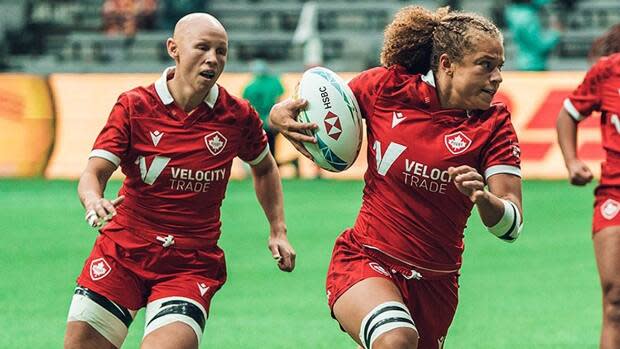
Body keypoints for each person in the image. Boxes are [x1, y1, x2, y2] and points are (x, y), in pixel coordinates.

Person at [270, 6, 523, 349]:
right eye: (486, 65)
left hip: (437, 283)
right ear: (447, 64)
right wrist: (279, 113)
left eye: (500, 67)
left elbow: (510, 225)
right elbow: (321, 107)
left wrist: (485, 199)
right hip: (365, 258)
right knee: (396, 339)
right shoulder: (386, 87)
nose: (497, 78)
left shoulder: (494, 125)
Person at [64, 13, 296, 349]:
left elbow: (264, 167)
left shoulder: (237, 115)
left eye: (221, 51)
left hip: (191, 263)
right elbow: (94, 172)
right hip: (124, 250)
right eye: (202, 47)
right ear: (173, 48)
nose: (213, 59)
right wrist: (93, 199)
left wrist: (278, 229)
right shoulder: (134, 105)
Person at [556, 23, 620, 349]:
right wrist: (572, 161)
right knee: (615, 301)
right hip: (615, 195)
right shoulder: (608, 72)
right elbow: (567, 115)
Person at [242, 60, 285, 158]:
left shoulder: (250, 87)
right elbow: (279, 100)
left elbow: (248, 107)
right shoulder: (275, 81)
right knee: (272, 151)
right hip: (272, 122)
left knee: (260, 154)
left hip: (257, 123)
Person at [503, 0, 561, 71]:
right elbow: (540, 46)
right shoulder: (527, 17)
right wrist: (555, 33)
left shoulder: (513, 12)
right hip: (534, 66)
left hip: (523, 62)